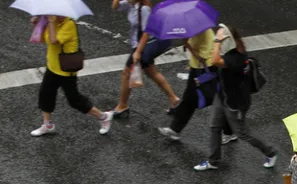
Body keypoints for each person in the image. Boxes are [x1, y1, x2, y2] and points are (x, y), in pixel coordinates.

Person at [193, 24, 277, 171]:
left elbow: (215, 61)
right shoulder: (231, 53)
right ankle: (213, 161)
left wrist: (217, 43)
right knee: (214, 127)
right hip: (223, 96)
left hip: (235, 103)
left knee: (242, 133)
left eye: (219, 39)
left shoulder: (236, 58)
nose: (216, 42)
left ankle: (270, 152)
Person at [30, 15, 113, 137]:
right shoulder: (53, 22)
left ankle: (103, 117)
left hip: (66, 71)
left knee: (74, 100)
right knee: (45, 94)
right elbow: (44, 39)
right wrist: (38, 25)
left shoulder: (69, 25)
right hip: (52, 67)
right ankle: (47, 124)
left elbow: (54, 41)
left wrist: (51, 23)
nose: (54, 15)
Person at [158, 28, 235, 140]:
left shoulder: (202, 32)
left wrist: (187, 44)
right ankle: (175, 130)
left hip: (204, 70)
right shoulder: (196, 30)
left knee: (200, 100)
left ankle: (229, 132)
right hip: (198, 69)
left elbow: (202, 57)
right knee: (191, 100)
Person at [111, 0, 179, 118]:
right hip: (137, 44)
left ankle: (122, 106)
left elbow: (146, 33)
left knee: (126, 74)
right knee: (152, 73)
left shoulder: (144, 9)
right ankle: (173, 98)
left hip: (142, 45)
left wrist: (137, 52)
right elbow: (115, 7)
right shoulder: (131, 4)